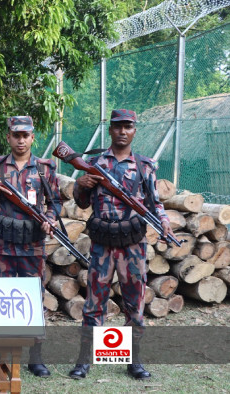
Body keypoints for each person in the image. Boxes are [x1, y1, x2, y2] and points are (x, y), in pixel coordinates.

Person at [68, 109, 172, 380]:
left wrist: (164, 222)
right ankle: (84, 361)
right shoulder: (95, 163)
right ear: (110, 130)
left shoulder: (144, 165)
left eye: (128, 127)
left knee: (134, 304)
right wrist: (81, 184)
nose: (122, 132)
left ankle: (133, 361)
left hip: (132, 246)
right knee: (94, 304)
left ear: (134, 131)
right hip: (102, 245)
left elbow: (154, 202)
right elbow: (81, 201)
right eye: (117, 127)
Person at [0, 115, 61, 378]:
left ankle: (36, 357)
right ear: (8, 137)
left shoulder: (44, 169)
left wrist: (50, 220)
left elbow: (56, 204)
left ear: (32, 138)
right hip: (2, 246)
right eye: (15, 135)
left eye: (25, 135)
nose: (20, 140)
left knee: (33, 300)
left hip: (32, 246)